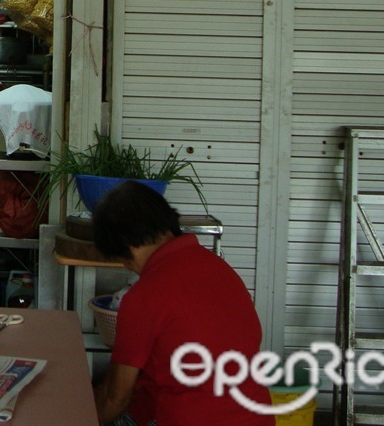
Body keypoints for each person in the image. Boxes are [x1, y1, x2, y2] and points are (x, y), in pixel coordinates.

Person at [92, 181, 274, 426]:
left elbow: (115, 400)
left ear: (128, 245)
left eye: (121, 259)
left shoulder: (144, 297)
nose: (127, 266)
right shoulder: (222, 270)